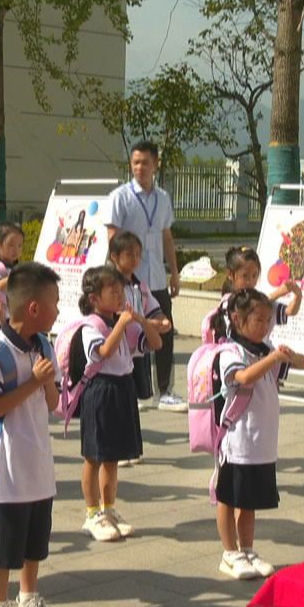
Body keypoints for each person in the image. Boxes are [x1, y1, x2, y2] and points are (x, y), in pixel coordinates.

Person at [0, 260, 64, 607]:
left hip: (38, 460)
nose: (58, 310)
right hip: (7, 464)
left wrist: (45, 385)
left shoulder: (43, 344)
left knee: (34, 539)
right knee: (4, 543)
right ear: (33, 308)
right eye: (55, 303)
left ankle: (28, 599)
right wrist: (35, 382)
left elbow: (54, 401)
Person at [212, 288, 304, 579]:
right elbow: (243, 378)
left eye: (268, 320)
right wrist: (272, 357)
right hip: (237, 440)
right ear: (237, 319)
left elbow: (303, 364)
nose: (265, 326)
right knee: (228, 498)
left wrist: (286, 356)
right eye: (259, 320)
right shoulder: (230, 351)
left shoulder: (266, 351)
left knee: (249, 501)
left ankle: (248, 548)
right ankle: (230, 553)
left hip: (260, 442)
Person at [73, 265, 155, 541]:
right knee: (94, 455)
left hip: (122, 387)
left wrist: (142, 322)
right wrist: (122, 324)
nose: (120, 295)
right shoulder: (90, 326)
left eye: (121, 290)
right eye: (113, 291)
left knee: (113, 456)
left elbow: (154, 344)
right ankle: (92, 512)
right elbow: (103, 353)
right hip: (101, 390)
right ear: (94, 297)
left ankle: (109, 509)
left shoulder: (124, 323)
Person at [105, 141, 184, 410]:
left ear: (155, 164)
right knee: (130, 331)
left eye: (145, 163)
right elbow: (112, 238)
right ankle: (136, 390)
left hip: (157, 276)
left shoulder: (162, 198)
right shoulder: (120, 196)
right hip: (129, 278)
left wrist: (174, 272)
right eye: (135, 162)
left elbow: (167, 236)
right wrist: (115, 275)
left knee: (164, 328)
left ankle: (165, 390)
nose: (139, 167)